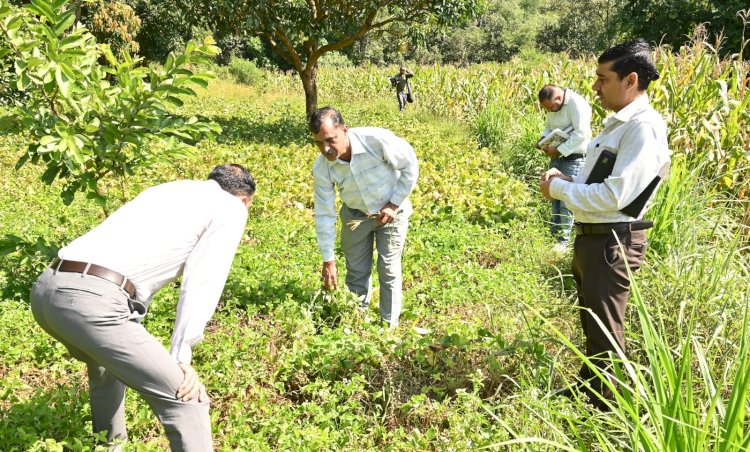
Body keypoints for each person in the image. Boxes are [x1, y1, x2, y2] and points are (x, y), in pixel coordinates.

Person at [30, 164, 256, 450]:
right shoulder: (231, 208)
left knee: (106, 370)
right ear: (245, 199)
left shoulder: (168, 190)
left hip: (46, 290)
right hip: (90, 301)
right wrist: (181, 357)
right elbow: (203, 281)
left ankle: (111, 446)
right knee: (187, 400)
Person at [539, 39, 671, 409]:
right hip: (594, 238)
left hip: (613, 242)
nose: (595, 87)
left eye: (601, 78)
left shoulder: (642, 128)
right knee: (593, 324)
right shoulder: (617, 125)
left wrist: (560, 190)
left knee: (607, 333)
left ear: (630, 80)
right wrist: (566, 184)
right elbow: (598, 182)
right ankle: (590, 388)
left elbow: (615, 197)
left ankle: (608, 412)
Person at [310, 107, 419, 328]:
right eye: (319, 143)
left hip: (391, 213)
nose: (326, 149)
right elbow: (324, 212)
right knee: (356, 272)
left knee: (388, 268)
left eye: (331, 140)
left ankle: (389, 327)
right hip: (355, 216)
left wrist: (394, 203)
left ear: (345, 130)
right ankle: (357, 322)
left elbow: (410, 165)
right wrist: (328, 259)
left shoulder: (376, 140)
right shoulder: (322, 167)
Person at [537, 84, 592, 249]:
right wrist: (544, 141)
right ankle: (555, 234)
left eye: (552, 107)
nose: (551, 111)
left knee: (566, 200)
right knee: (554, 194)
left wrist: (559, 149)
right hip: (557, 156)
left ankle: (563, 241)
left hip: (574, 158)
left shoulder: (576, 103)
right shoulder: (552, 106)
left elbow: (582, 133)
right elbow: (549, 126)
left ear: (559, 98)